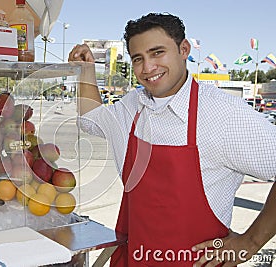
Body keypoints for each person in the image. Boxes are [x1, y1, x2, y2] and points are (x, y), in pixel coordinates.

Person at [68, 13, 276, 266]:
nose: (147, 68)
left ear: (184, 49)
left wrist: (251, 242)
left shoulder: (224, 114)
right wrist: (85, 70)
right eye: (138, 59)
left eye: (157, 53)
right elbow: (91, 119)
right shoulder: (132, 106)